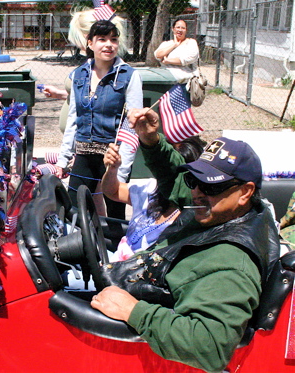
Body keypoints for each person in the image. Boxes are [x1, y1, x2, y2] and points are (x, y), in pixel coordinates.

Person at [91, 107, 279, 372]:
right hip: (135, 281)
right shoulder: (222, 211)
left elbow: (210, 346)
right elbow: (174, 177)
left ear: (246, 192)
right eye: (195, 180)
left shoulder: (231, 263)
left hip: (133, 333)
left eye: (211, 186)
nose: (196, 192)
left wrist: (134, 312)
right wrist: (151, 140)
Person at [55, 19, 143, 220]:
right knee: (74, 212)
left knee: (114, 216)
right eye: (102, 39)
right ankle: (81, 251)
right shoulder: (79, 74)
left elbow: (133, 125)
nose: (109, 45)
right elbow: (73, 120)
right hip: (84, 154)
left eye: (113, 39)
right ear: (90, 43)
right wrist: (63, 160)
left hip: (113, 158)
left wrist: (121, 170)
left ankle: (116, 251)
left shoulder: (129, 76)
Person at [102, 136, 205, 261]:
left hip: (138, 274)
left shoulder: (194, 214)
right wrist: (112, 170)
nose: (169, 177)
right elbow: (113, 191)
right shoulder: (149, 189)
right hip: (115, 264)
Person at [154, 19, 199, 84]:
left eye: (183, 28)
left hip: (184, 81)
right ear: (173, 29)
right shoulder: (166, 43)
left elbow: (189, 58)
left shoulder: (191, 42)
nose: (180, 30)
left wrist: (168, 61)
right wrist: (174, 45)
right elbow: (157, 55)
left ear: (186, 30)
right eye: (178, 27)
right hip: (166, 79)